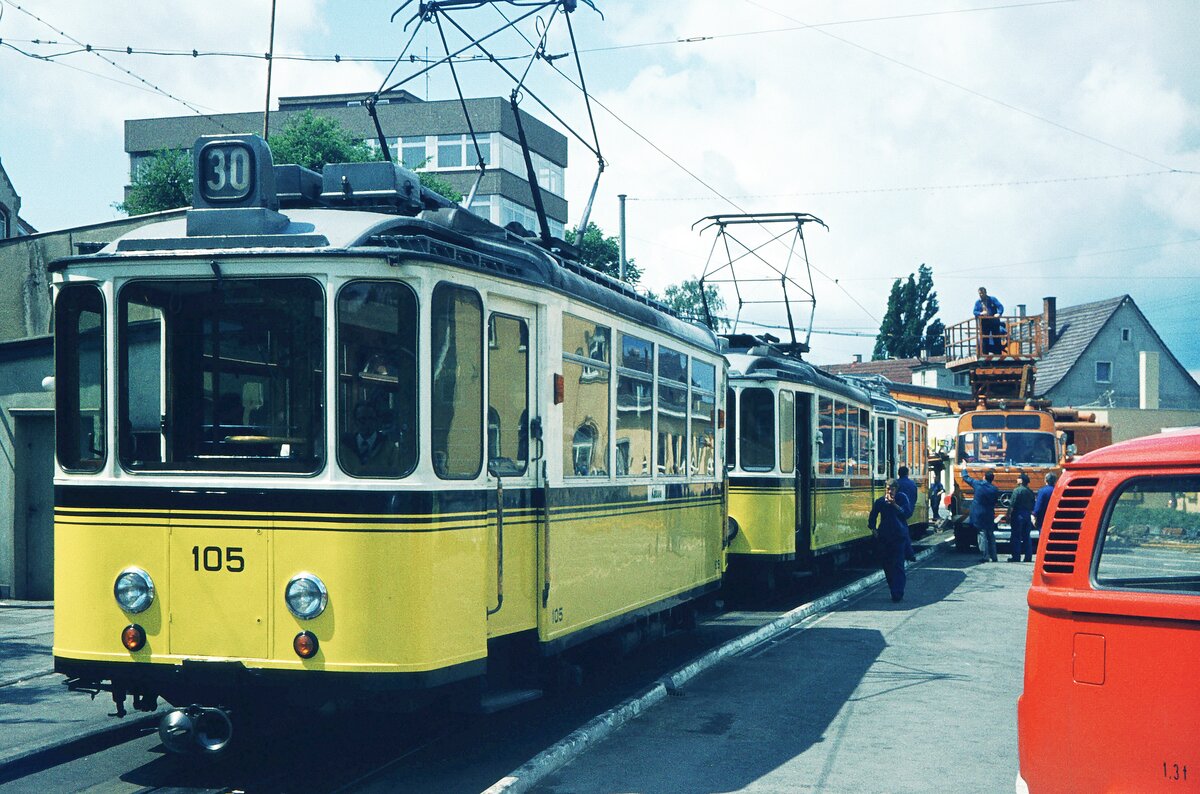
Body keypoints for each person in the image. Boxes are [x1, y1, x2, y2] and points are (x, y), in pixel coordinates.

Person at [869, 479, 913, 603]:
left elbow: (907, 513)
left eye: (892, 489)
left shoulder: (902, 499)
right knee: (887, 565)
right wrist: (873, 529)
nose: (890, 491)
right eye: (888, 488)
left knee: (898, 565)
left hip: (899, 537)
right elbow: (872, 516)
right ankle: (892, 588)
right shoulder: (880, 502)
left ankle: (897, 593)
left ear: (896, 489)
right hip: (885, 537)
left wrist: (894, 504)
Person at [341, 400, 400, 476]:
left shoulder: (390, 448)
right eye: (362, 419)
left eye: (371, 419)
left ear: (377, 421)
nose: (367, 423)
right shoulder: (345, 448)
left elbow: (395, 473)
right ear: (355, 421)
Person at [961, 464, 1000, 562]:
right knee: (991, 535)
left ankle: (985, 556)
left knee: (982, 534)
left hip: (978, 514)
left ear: (984, 477)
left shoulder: (978, 484)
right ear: (992, 479)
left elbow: (966, 478)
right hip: (989, 513)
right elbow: (995, 502)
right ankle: (994, 556)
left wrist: (964, 467)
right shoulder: (995, 489)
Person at [1008, 472, 1035, 563]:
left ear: (1021, 480)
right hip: (1027, 515)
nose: (1017, 479)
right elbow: (1032, 505)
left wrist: (1008, 515)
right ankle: (1028, 557)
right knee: (1027, 537)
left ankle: (1016, 556)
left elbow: (1012, 505)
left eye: (1018, 478)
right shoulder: (1030, 491)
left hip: (1018, 515)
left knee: (1016, 536)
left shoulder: (1017, 490)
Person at [973, 287, 1005, 354]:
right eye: (980, 293)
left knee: (996, 337)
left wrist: (999, 313)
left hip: (994, 321)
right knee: (984, 338)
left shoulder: (992, 299)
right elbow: (975, 311)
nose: (981, 295)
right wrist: (980, 313)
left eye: (982, 293)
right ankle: (985, 353)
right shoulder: (978, 302)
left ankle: (998, 353)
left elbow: (1000, 306)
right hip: (984, 322)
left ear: (985, 293)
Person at [896, 465, 919, 561]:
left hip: (898, 511)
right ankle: (909, 553)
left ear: (898, 474)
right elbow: (915, 497)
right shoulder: (913, 484)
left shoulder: (897, 484)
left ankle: (908, 553)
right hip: (909, 510)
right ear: (907, 473)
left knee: (902, 532)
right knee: (904, 530)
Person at [1033, 471, 1058, 536]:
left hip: (1043, 518)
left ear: (1045, 480)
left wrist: (1034, 514)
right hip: (1056, 517)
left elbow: (1038, 506)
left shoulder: (1042, 491)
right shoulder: (1057, 490)